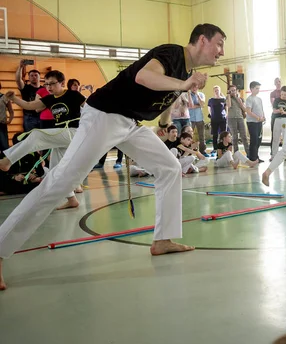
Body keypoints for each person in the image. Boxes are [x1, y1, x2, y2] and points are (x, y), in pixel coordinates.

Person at [0, 23, 226, 291]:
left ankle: (163, 239)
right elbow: (144, 77)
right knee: (60, 182)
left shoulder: (184, 72)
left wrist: (166, 121)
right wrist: (184, 84)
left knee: (169, 167)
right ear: (202, 40)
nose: (222, 51)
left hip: (130, 123)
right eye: (219, 44)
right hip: (103, 116)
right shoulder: (172, 54)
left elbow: (165, 100)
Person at [1, 70, 86, 210]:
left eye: (52, 84)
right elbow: (29, 106)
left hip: (73, 132)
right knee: (55, 169)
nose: (49, 87)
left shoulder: (73, 95)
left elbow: (89, 108)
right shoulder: (50, 99)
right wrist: (14, 99)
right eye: (46, 84)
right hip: (62, 136)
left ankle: (7, 161)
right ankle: (72, 199)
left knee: (36, 135)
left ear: (62, 83)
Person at [15, 61, 42, 132]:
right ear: (29, 78)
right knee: (30, 138)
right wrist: (21, 67)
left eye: (36, 75)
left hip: (42, 116)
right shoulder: (25, 88)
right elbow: (18, 80)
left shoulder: (44, 89)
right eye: (32, 75)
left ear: (40, 77)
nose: (34, 77)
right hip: (29, 117)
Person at [270, 86, 286, 159]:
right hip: (277, 119)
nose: (283, 96)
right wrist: (279, 111)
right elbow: (274, 110)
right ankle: (274, 155)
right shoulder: (277, 100)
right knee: (275, 137)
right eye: (282, 94)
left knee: (285, 137)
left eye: (285, 95)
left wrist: (284, 112)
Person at [245, 81, 266, 162]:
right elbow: (249, 112)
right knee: (254, 140)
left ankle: (256, 156)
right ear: (251, 89)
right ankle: (252, 158)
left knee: (259, 140)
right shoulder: (249, 99)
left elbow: (261, 109)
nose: (258, 90)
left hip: (259, 122)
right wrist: (257, 118)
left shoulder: (259, 99)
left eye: (259, 88)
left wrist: (263, 117)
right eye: (256, 88)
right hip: (252, 122)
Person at [226, 85, 249, 154]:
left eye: (234, 90)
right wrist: (229, 95)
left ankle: (248, 152)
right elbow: (229, 106)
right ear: (229, 91)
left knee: (244, 136)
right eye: (231, 90)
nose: (233, 92)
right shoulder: (227, 98)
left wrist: (238, 99)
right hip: (231, 118)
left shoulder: (240, 99)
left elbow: (244, 109)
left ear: (236, 91)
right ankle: (236, 153)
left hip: (240, 118)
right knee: (235, 137)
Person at [208, 85, 227, 152]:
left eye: (218, 90)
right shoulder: (211, 100)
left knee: (223, 134)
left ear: (220, 91)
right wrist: (212, 115)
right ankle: (215, 148)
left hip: (222, 119)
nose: (216, 91)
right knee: (215, 134)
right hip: (214, 119)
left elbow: (226, 108)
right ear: (213, 91)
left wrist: (226, 115)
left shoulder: (223, 99)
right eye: (215, 90)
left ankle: (223, 147)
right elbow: (209, 109)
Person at [0, 83, 14, 153]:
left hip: (1, 124)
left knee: (4, 145)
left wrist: (9, 120)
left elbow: (11, 111)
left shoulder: (4, 97)